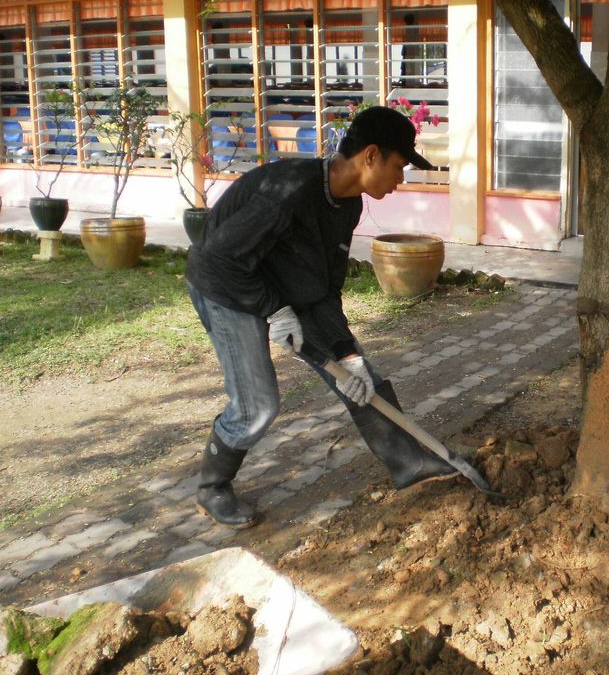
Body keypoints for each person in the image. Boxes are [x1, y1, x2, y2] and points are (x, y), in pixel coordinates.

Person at [186, 106, 459, 528]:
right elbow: (220, 258)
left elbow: (325, 288)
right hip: (225, 286)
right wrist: (273, 310)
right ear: (371, 156)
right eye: (399, 165)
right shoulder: (288, 190)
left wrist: (346, 354)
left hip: (279, 285)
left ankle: (413, 466)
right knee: (258, 406)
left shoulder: (346, 205)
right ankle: (211, 487)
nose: (400, 179)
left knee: (361, 375)